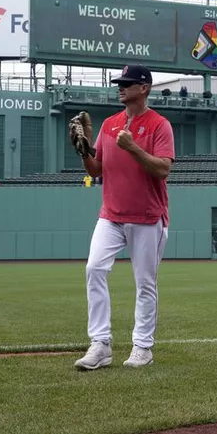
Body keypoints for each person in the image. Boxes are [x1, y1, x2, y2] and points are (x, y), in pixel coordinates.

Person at [72, 64, 175, 370]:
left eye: (128, 83)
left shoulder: (159, 125)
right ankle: (100, 344)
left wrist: (132, 148)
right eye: (120, 82)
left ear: (144, 88)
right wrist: (83, 150)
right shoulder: (109, 124)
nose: (121, 87)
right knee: (94, 268)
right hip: (111, 214)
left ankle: (142, 347)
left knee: (144, 283)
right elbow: (96, 169)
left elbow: (163, 169)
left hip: (147, 216)